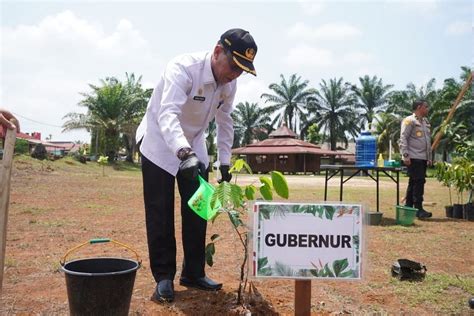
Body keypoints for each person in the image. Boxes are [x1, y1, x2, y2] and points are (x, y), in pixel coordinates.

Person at [135, 28, 258, 303]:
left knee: (200, 208)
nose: (235, 74)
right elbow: (167, 114)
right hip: (158, 141)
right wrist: (182, 152)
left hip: (194, 143)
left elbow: (225, 121)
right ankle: (164, 277)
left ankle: (193, 272)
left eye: (242, 69)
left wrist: (224, 162)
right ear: (217, 52)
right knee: (160, 210)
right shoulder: (183, 69)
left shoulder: (229, 83)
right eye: (234, 65)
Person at [399, 99, 432, 219]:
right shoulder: (409, 121)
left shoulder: (425, 122)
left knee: (413, 182)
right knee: (419, 182)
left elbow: (428, 141)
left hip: (422, 157)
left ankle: (408, 207)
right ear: (419, 107)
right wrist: (405, 155)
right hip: (413, 157)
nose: (427, 109)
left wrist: (429, 158)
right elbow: (403, 138)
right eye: (426, 106)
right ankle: (418, 209)